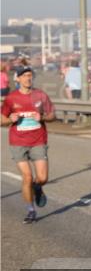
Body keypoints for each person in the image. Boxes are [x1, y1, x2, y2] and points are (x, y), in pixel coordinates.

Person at [1, 67, 55, 224]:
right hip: (18, 142)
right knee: (27, 177)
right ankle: (31, 210)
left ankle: (37, 187)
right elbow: (1, 120)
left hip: (38, 141)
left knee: (42, 178)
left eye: (30, 75)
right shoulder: (11, 98)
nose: (28, 78)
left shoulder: (40, 95)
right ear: (17, 79)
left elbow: (52, 115)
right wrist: (10, 119)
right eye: (24, 76)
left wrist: (42, 117)